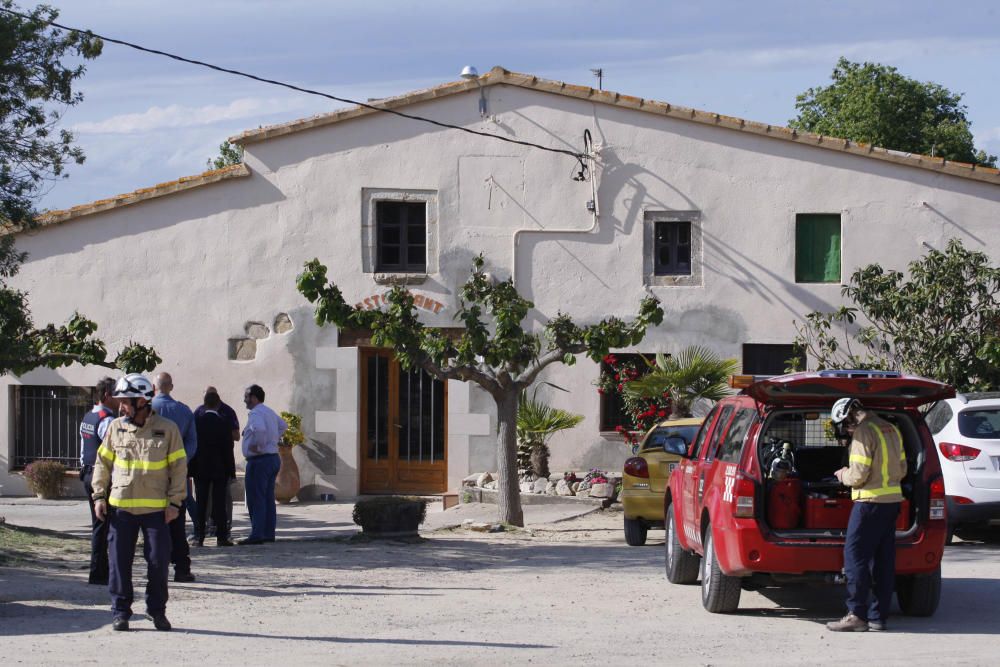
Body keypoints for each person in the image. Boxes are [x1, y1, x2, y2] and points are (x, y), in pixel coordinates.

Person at [91, 373, 187, 632]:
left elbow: (179, 468)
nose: (120, 407)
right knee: (119, 562)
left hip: (157, 510)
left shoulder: (168, 429)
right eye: (120, 402)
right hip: (122, 509)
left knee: (159, 561)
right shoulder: (115, 428)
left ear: (142, 401)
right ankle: (121, 612)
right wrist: (99, 496)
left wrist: (175, 503)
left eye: (125, 402)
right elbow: (102, 464)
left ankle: (156, 611)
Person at [826, 397, 908, 633]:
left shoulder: (863, 432)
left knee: (855, 558)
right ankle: (878, 618)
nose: (846, 430)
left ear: (848, 416)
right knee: (884, 560)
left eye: (844, 425)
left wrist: (842, 474)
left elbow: (858, 475)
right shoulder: (891, 428)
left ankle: (856, 614)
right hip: (892, 502)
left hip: (869, 503)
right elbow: (902, 468)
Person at [151, 372, 198, 582]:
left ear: (154, 387)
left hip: (150, 475)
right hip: (176, 475)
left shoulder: (146, 409)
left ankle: (156, 568)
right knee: (177, 521)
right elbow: (192, 442)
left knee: (152, 522)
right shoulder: (184, 411)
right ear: (171, 387)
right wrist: (181, 463)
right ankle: (181, 568)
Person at [78, 377, 118, 585]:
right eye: (117, 395)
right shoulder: (108, 420)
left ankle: (99, 571)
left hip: (86, 472)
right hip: (100, 476)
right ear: (107, 396)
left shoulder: (88, 416)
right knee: (104, 525)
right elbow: (113, 452)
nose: (121, 400)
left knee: (99, 524)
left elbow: (84, 449)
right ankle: (99, 573)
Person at [240, 384, 286, 545]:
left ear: (254, 398)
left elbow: (259, 430)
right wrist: (273, 440)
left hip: (259, 460)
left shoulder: (256, 413)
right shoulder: (269, 411)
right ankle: (268, 533)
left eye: (246, 396)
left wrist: (259, 446)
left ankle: (257, 534)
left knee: (256, 498)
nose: (244, 400)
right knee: (267, 498)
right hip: (272, 458)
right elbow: (283, 426)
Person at [194, 385, 239, 538]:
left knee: (201, 502)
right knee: (220, 503)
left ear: (205, 403)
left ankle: (199, 536)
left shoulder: (197, 422)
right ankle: (222, 536)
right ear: (218, 404)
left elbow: (193, 445)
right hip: (220, 469)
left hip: (201, 468)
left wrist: (191, 469)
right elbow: (228, 449)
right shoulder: (224, 422)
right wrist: (231, 471)